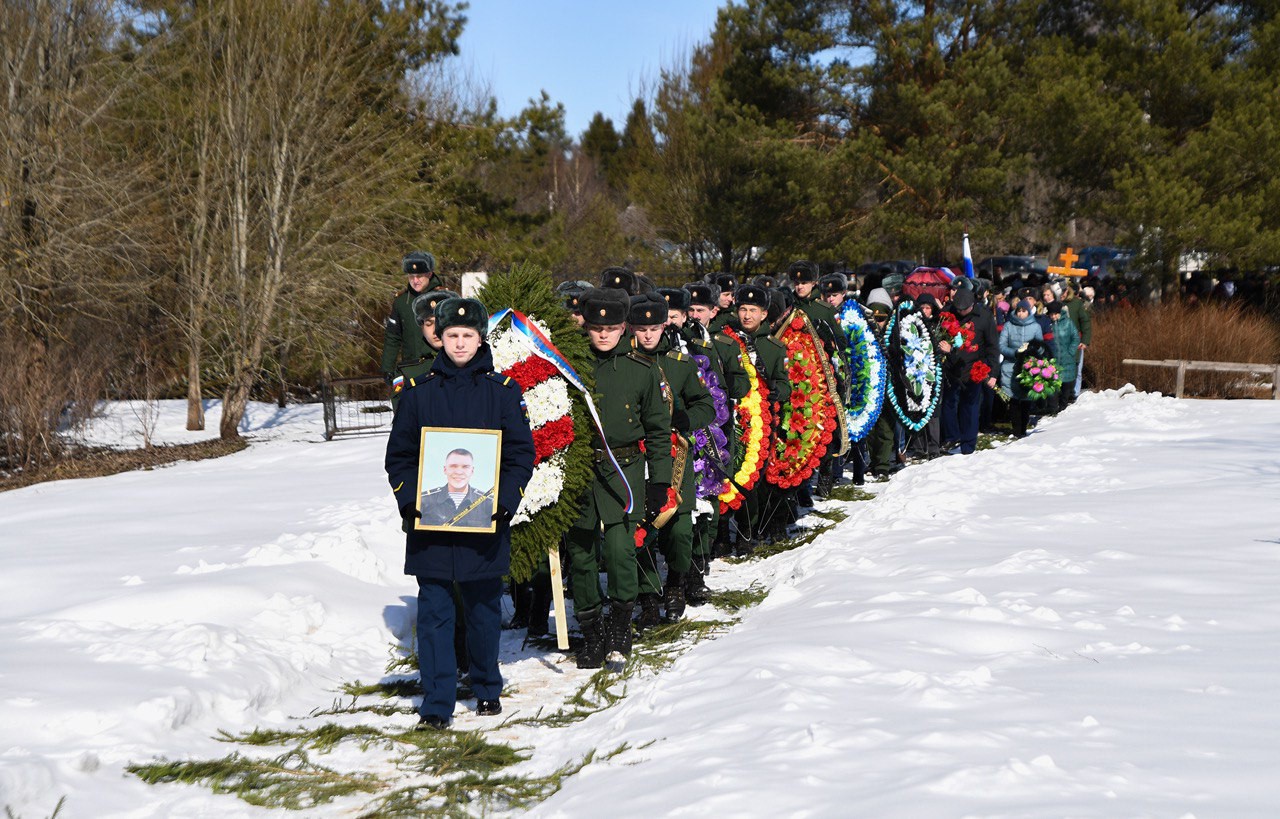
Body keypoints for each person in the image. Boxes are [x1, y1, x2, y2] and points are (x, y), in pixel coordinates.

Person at [384, 296, 535, 730]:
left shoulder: (502, 393)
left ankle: (486, 686)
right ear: (439, 337)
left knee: (484, 610)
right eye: (452, 335)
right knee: (434, 615)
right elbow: (400, 457)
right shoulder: (417, 394)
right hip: (430, 527)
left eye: (468, 335)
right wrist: (413, 502)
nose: (460, 343)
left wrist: (502, 502)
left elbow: (520, 456)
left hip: (485, 523)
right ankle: (437, 702)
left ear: (480, 337)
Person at [566, 287, 672, 668]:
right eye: (597, 328)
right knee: (580, 553)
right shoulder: (570, 367)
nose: (604, 335)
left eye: (611, 328)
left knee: (619, 550)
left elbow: (659, 430)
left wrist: (660, 481)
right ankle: (591, 631)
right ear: (588, 328)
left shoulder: (641, 370)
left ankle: (620, 627)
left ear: (624, 327)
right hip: (580, 470)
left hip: (623, 470)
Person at [629, 293, 715, 627]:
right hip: (635, 459)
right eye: (641, 328)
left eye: (654, 327)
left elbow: (705, 405)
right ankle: (649, 595)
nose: (648, 335)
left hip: (675, 459)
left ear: (664, 324)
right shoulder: (624, 363)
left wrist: (685, 419)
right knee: (640, 530)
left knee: (679, 528)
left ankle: (676, 584)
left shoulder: (679, 364)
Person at [941, 288, 999, 455]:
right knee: (949, 404)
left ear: (972, 305)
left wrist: (993, 373)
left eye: (963, 309)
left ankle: (968, 444)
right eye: (957, 309)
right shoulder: (948, 313)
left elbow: (992, 347)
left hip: (974, 369)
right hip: (951, 368)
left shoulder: (985, 317)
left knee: (970, 407)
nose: (960, 312)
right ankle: (952, 437)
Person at [381, 250, 443, 383]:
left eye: (419, 276)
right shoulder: (401, 302)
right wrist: (387, 368)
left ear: (429, 274)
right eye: (411, 276)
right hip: (411, 368)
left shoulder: (444, 298)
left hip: (439, 366)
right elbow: (393, 337)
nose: (415, 281)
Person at [999, 300, 1045, 438]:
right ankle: (1016, 430)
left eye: (1023, 311)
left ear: (1028, 312)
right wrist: (1014, 352)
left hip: (1028, 367)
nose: (1020, 313)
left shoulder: (1036, 327)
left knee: (1025, 400)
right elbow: (1001, 345)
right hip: (1010, 367)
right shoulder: (1008, 325)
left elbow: (1041, 346)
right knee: (1014, 400)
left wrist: (1031, 353)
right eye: (1018, 310)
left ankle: (1023, 428)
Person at [419, 448, 495, 529]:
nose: (459, 472)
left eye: (465, 467)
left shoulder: (488, 503)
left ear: (472, 471)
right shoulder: (424, 500)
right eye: (453, 466)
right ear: (445, 469)